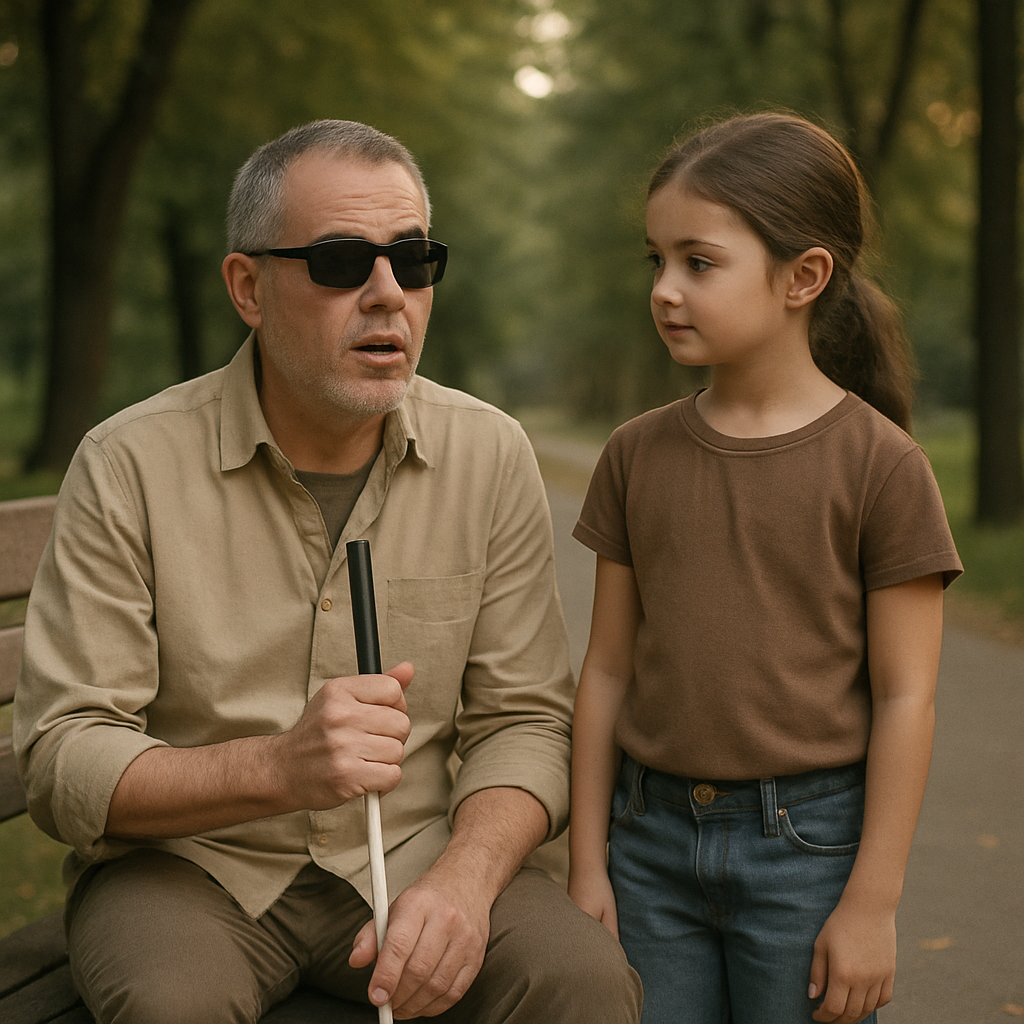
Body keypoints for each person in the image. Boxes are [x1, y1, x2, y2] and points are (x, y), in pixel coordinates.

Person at [15, 119, 641, 1024]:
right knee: (170, 1005)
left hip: (424, 850)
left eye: (414, 259)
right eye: (343, 261)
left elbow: (527, 721)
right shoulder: (129, 464)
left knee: (581, 986)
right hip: (192, 867)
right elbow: (64, 754)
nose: (388, 294)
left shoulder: (490, 452)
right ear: (248, 287)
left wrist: (465, 881)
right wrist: (278, 767)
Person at [567, 112, 963, 1024]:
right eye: (656, 261)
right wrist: (589, 864)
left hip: (808, 854)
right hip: (648, 846)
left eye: (698, 263)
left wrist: (871, 903)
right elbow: (609, 670)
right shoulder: (635, 456)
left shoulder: (882, 467)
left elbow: (907, 698)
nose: (665, 289)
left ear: (804, 276)